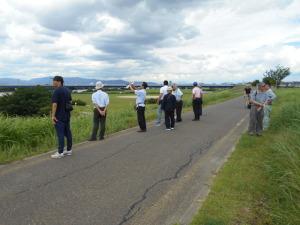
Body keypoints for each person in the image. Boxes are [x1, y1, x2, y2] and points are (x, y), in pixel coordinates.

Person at [51, 76, 73, 159]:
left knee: (60, 134)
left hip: (59, 116)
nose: (53, 83)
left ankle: (60, 152)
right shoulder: (67, 90)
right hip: (67, 115)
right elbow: (70, 102)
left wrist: (53, 116)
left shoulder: (57, 91)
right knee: (68, 133)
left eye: (54, 81)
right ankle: (69, 150)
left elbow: (54, 104)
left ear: (59, 81)